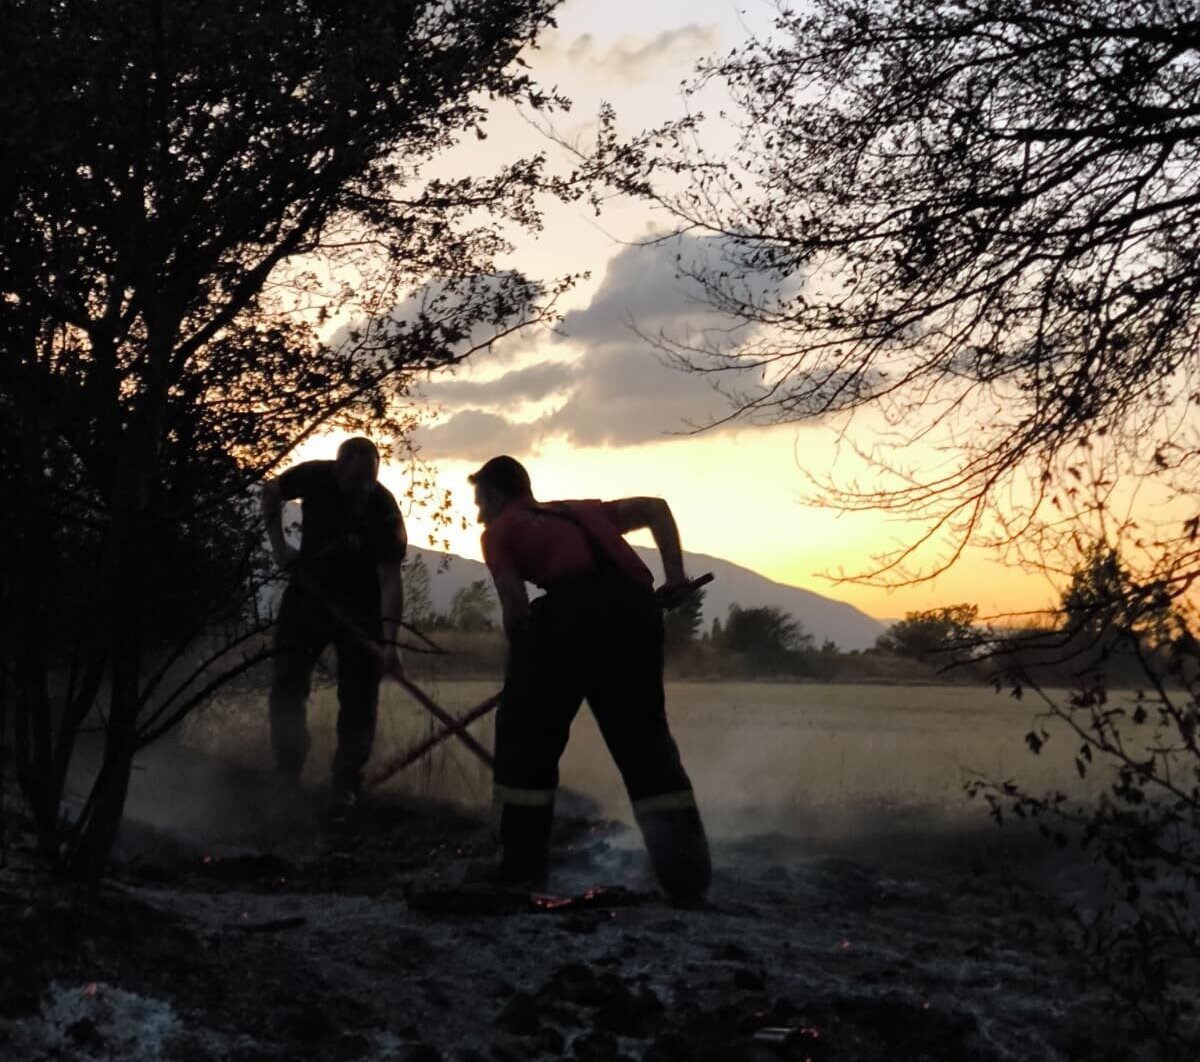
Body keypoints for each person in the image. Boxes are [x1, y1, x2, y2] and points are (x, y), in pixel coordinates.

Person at [470, 455, 711, 903]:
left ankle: (521, 869)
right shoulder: (584, 510)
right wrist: (674, 576)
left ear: (498, 496)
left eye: (480, 501)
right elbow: (657, 506)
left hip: (568, 618)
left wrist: (520, 677)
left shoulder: (499, 531)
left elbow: (515, 610)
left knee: (526, 742)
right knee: (645, 744)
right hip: (637, 616)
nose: (478, 513)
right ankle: (687, 875)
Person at [260, 437, 406, 814]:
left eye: (368, 481)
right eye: (353, 481)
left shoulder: (384, 510)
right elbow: (271, 490)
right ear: (338, 470)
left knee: (359, 698)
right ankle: (287, 771)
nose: (360, 491)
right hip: (308, 595)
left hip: (362, 607)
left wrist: (389, 643)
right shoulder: (314, 477)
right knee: (288, 682)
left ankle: (345, 784)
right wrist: (279, 547)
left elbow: (390, 580)